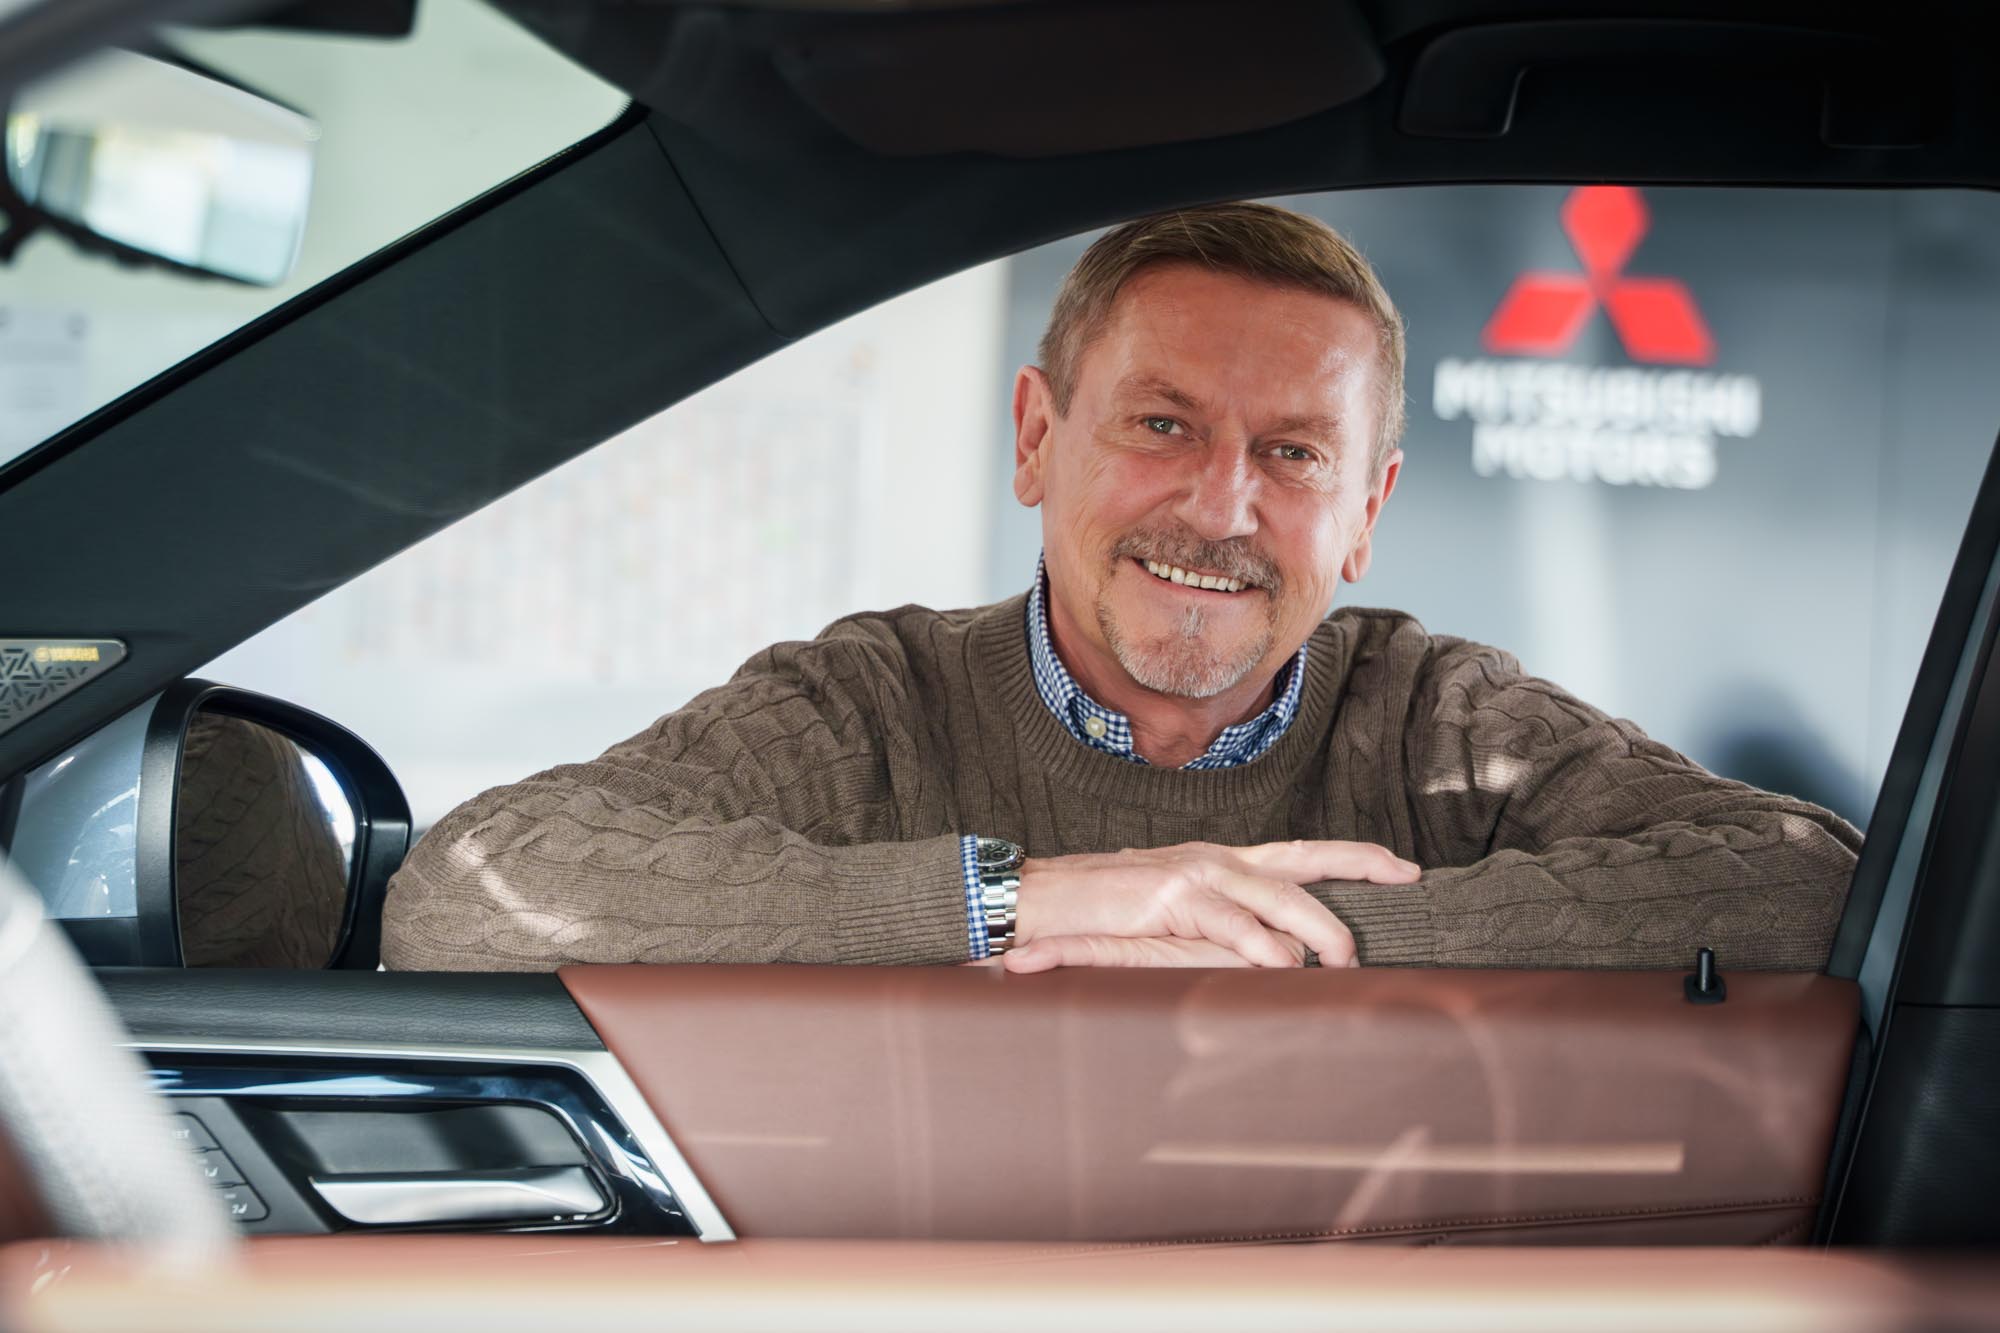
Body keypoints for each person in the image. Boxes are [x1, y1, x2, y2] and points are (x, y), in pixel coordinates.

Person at [381, 203, 1859, 974]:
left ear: (1366, 514)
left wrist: (1263, 928)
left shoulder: (1439, 721)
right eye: (1162, 425)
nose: (1221, 507)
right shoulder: (869, 707)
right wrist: (1016, 902)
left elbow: (1811, 881)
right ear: (1038, 437)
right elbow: (471, 894)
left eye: (1294, 453)